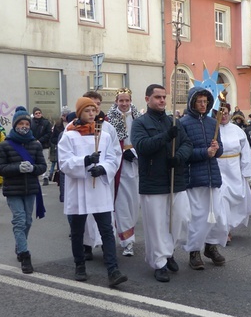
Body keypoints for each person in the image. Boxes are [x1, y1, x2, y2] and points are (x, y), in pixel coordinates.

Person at [59, 97, 128, 287]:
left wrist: (104, 168)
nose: (92, 114)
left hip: (100, 190)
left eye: (94, 110)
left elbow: (113, 158)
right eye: (87, 111)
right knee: (78, 230)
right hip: (79, 189)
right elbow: (64, 162)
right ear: (80, 112)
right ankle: (79, 265)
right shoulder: (69, 135)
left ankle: (113, 270)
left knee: (106, 229)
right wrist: (86, 161)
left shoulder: (103, 136)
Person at [130, 84, 193, 282]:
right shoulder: (140, 123)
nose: (162, 100)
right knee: (156, 225)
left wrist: (179, 157)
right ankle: (159, 262)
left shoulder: (173, 121)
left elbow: (187, 143)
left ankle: (168, 251)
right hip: (153, 181)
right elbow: (142, 146)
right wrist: (166, 136)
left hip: (176, 179)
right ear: (147, 98)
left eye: (164, 97)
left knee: (179, 219)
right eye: (157, 97)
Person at [0, 109, 47, 274]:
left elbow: (42, 166)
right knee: (20, 220)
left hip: (30, 189)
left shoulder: (35, 144)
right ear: (15, 125)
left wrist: (32, 168)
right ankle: (25, 255)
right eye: (20, 124)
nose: (24, 127)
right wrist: (17, 168)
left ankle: (19, 245)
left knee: (28, 221)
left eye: (26, 124)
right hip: (13, 190)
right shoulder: (5, 145)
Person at [178, 87, 227, 270]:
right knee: (197, 217)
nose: (203, 105)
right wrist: (204, 152)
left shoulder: (212, 122)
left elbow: (219, 150)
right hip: (194, 177)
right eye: (199, 101)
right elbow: (184, 152)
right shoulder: (183, 123)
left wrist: (216, 148)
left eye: (205, 102)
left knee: (218, 217)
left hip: (212, 176)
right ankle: (194, 251)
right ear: (192, 102)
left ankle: (211, 246)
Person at [104, 87, 141, 257]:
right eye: (121, 101)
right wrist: (120, 153)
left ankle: (129, 235)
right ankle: (127, 241)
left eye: (127, 100)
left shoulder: (137, 118)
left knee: (134, 203)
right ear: (116, 101)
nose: (124, 104)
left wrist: (134, 153)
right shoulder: (109, 119)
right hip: (119, 167)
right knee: (122, 203)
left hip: (136, 163)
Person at [215, 104, 251, 241]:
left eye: (226, 113)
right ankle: (224, 230)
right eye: (221, 113)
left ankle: (228, 226)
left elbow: (245, 151)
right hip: (219, 168)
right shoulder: (212, 130)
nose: (224, 116)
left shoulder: (237, 130)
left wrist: (247, 171)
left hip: (234, 169)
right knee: (222, 198)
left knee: (234, 199)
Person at [30, 107, 53, 185]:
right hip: (33, 145)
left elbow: (49, 133)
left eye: (39, 113)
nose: (38, 115)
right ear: (34, 115)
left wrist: (40, 140)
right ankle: (35, 176)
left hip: (44, 145)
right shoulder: (31, 123)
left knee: (45, 161)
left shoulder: (46, 122)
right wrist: (34, 140)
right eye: (36, 113)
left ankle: (45, 177)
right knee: (34, 161)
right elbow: (29, 133)